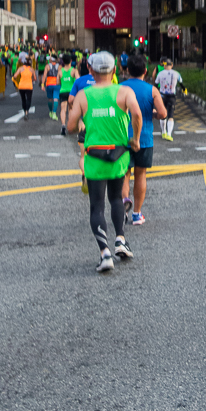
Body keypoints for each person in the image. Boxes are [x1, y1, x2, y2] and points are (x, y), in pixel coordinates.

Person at [67, 51, 142, 273]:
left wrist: (84, 119)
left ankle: (105, 253)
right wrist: (135, 139)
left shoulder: (83, 95)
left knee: (97, 206)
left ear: (90, 70)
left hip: (94, 158)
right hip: (119, 157)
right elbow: (136, 114)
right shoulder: (124, 92)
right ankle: (121, 239)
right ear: (115, 70)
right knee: (117, 199)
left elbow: (71, 126)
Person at [121, 53, 166, 225]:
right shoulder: (151, 90)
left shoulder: (120, 87)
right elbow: (163, 113)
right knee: (140, 175)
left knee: (124, 174)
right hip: (144, 138)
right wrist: (152, 114)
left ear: (127, 70)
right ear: (146, 71)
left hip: (122, 137)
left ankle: (124, 202)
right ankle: (137, 214)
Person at [68, 60, 97, 194]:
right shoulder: (102, 82)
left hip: (83, 123)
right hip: (99, 123)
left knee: (83, 155)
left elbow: (70, 99)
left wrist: (74, 112)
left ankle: (85, 173)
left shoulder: (79, 82)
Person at [155, 58, 182, 141]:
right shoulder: (176, 74)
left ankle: (163, 132)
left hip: (162, 96)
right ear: (172, 65)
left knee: (163, 114)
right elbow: (181, 83)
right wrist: (185, 90)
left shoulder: (160, 73)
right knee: (171, 115)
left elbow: (156, 84)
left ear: (164, 65)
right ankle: (169, 134)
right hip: (172, 97)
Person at [58, 51, 79, 134]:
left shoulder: (60, 71)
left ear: (63, 61)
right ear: (71, 61)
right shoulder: (74, 71)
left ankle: (63, 125)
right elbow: (78, 80)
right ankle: (71, 126)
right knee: (71, 109)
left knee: (63, 109)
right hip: (72, 92)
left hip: (63, 91)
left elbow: (57, 82)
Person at [13, 53, 37, 120]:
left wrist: (16, 80)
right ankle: (27, 112)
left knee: (23, 99)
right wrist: (31, 79)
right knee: (28, 99)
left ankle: (24, 111)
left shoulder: (20, 68)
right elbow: (35, 78)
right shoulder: (32, 69)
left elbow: (15, 76)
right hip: (29, 86)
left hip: (21, 86)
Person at [42, 54, 60, 120]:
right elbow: (61, 75)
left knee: (50, 99)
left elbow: (44, 75)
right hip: (57, 84)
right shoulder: (59, 67)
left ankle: (50, 111)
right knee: (56, 99)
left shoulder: (47, 66)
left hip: (49, 84)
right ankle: (54, 113)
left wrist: (42, 84)